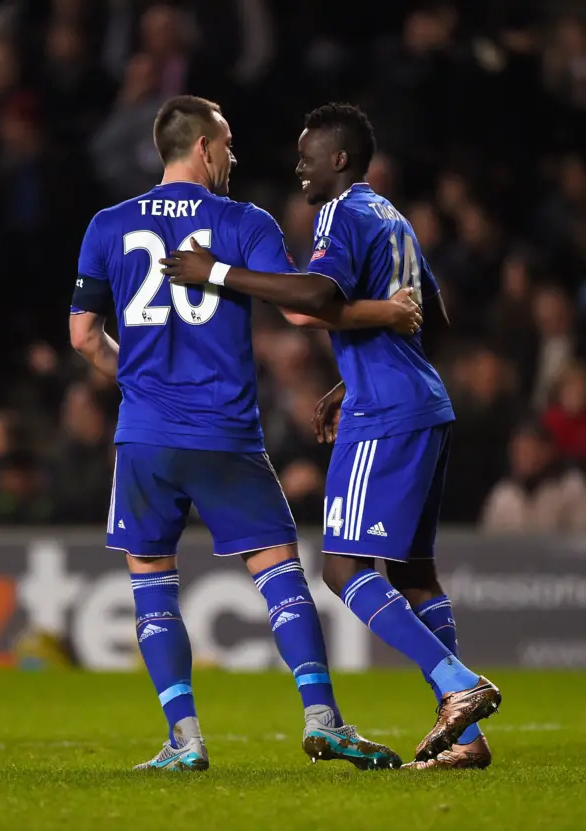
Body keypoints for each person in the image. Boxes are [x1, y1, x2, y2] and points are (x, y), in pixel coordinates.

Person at [69, 95, 423, 772]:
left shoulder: (107, 224)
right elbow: (298, 311)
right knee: (279, 571)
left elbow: (84, 336)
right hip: (226, 434)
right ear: (203, 148)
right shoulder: (244, 221)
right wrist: (384, 311)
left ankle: (185, 738)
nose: (232, 156)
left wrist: (143, 382)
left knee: (150, 578)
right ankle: (323, 717)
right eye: (226, 144)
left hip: (144, 435)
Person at [161, 102, 502, 769]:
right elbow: (434, 315)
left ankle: (459, 685)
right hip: (421, 403)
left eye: (308, 154)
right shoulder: (392, 217)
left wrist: (218, 274)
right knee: (413, 572)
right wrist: (354, 375)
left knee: (342, 567)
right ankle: (467, 738)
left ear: (339, 159)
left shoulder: (340, 214)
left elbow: (315, 297)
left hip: (387, 417)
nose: (299, 166)